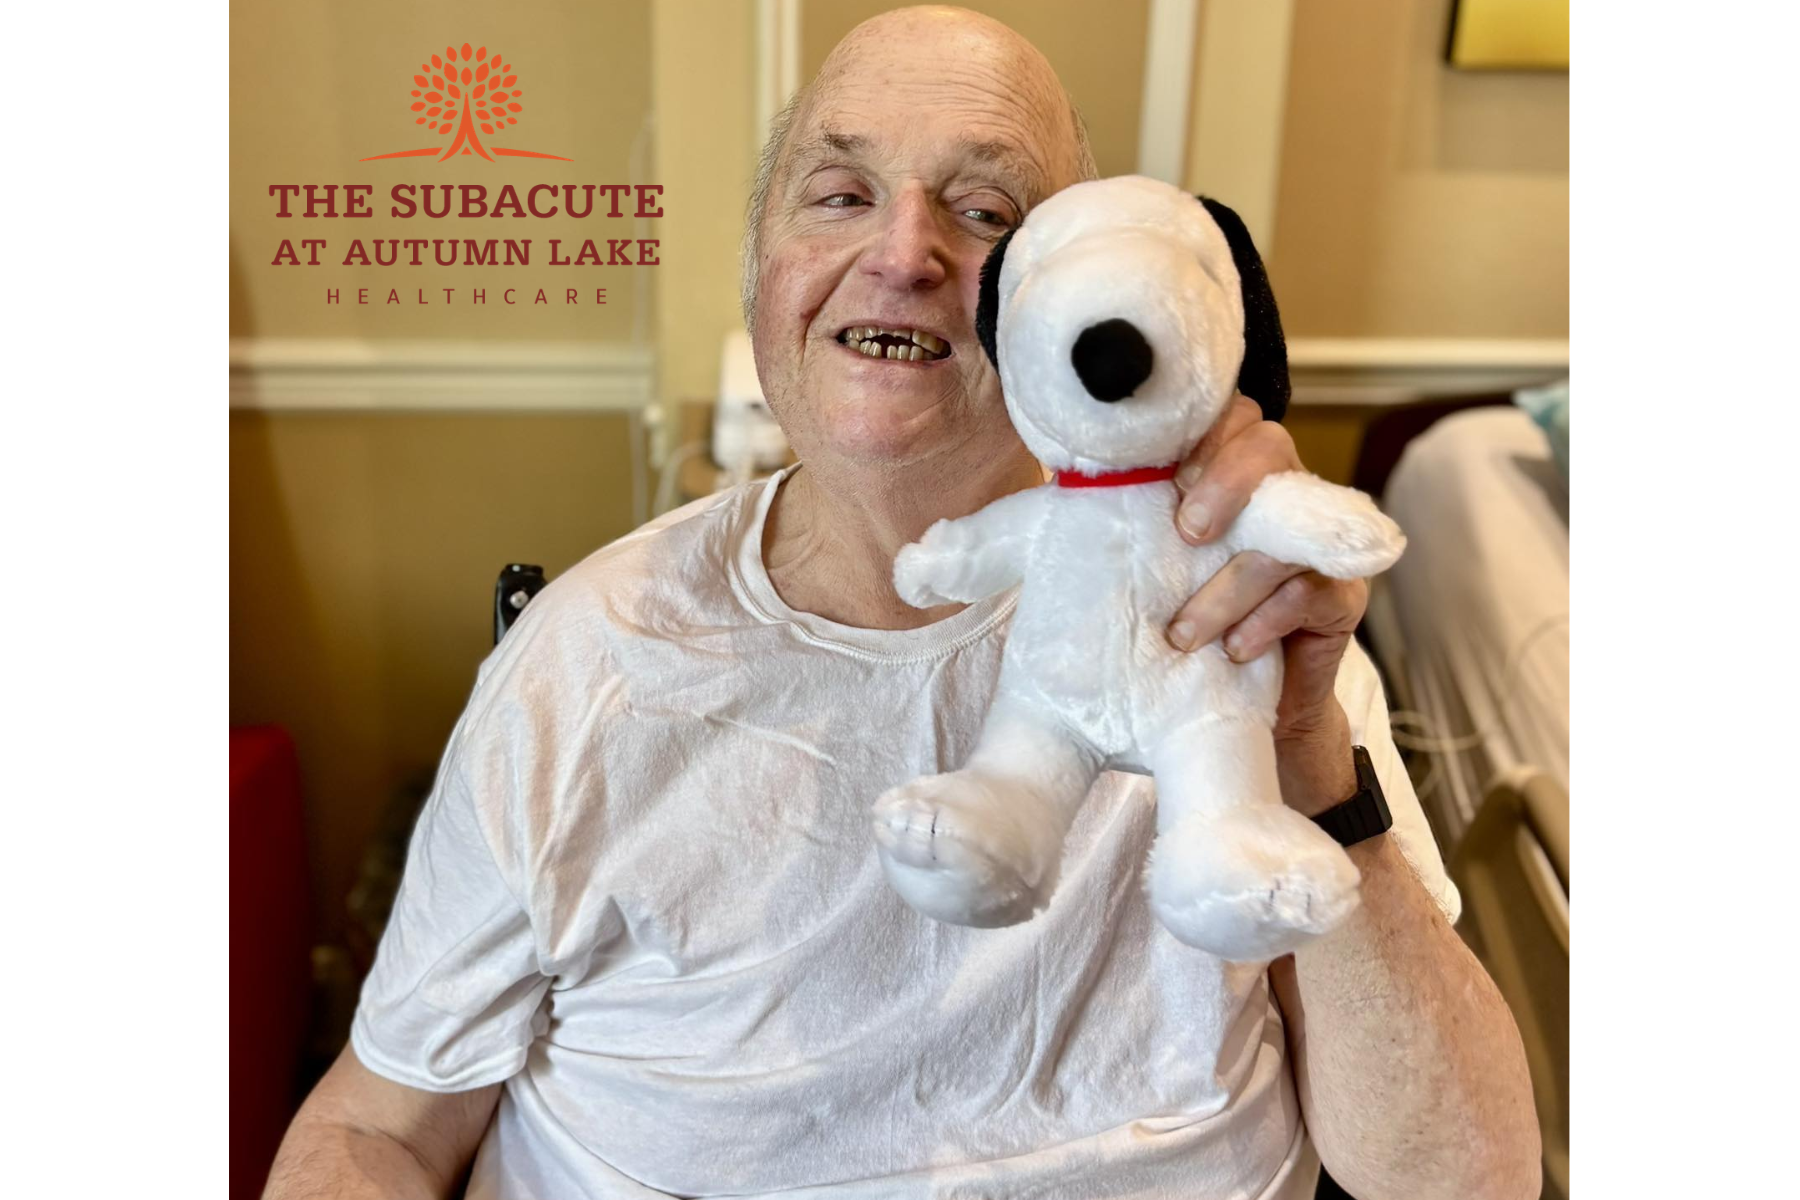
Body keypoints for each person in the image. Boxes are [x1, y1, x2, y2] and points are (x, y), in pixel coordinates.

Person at [263, 8, 1540, 1198]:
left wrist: (1303, 740)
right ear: (763, 273)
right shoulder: (586, 665)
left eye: (986, 211)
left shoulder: (1227, 631)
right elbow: (377, 1125)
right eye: (841, 194)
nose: (904, 252)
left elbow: (1459, 1178)